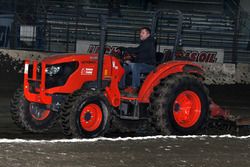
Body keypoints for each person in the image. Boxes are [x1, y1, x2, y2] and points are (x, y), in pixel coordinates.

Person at [119, 27, 156, 94]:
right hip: (141, 64)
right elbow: (140, 56)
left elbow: (137, 50)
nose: (140, 34)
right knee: (124, 66)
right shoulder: (144, 43)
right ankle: (121, 86)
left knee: (135, 66)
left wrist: (125, 49)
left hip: (149, 66)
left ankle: (135, 87)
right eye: (140, 33)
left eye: (143, 33)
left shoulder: (150, 42)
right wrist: (130, 62)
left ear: (148, 34)